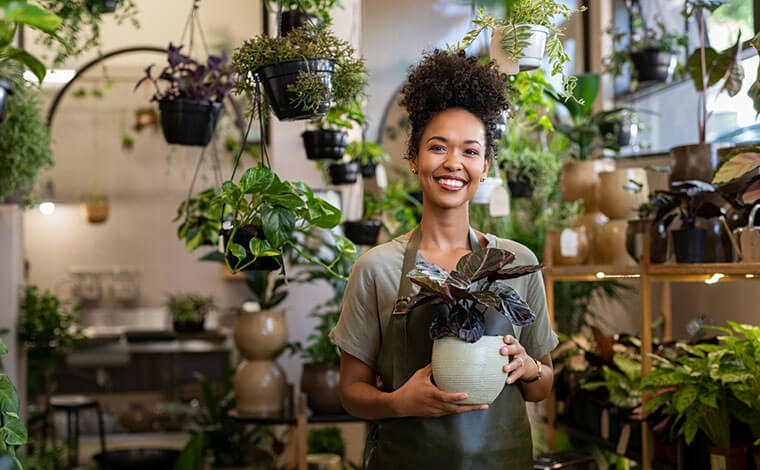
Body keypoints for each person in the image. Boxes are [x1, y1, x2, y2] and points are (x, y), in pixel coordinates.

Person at [328, 49, 558, 470]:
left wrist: (528, 368)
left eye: (470, 151)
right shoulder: (377, 268)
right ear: (414, 159)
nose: (454, 163)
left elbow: (543, 384)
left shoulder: (516, 262)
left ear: (485, 166)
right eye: (438, 147)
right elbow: (351, 391)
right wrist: (399, 402)